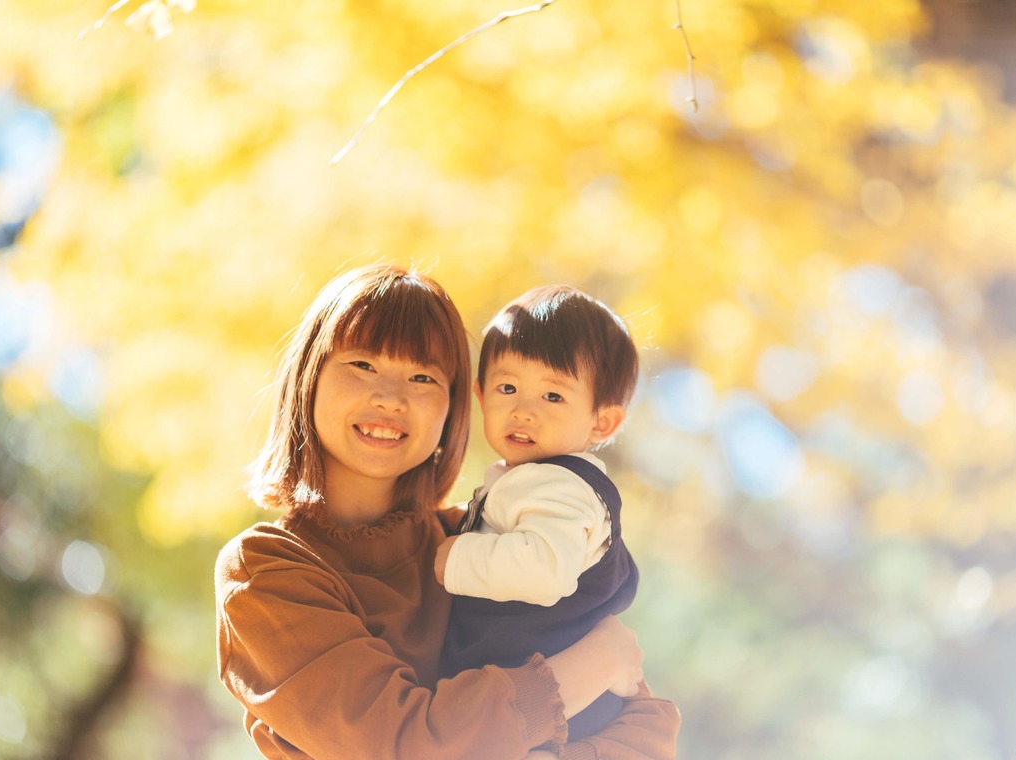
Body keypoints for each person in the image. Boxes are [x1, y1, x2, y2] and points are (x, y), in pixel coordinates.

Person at [214, 264, 679, 759]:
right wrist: (593, 665)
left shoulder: (488, 542)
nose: (390, 399)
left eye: (422, 377)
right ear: (310, 377)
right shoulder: (267, 571)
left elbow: (646, 729)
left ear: (455, 404)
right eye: (363, 365)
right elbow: (402, 744)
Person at [435, 285, 644, 742]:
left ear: (601, 422)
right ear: (481, 393)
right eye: (507, 388)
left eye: (552, 396)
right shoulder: (539, 482)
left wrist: (452, 558)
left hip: (552, 706)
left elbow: (544, 570)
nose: (523, 410)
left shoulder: (556, 484)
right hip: (544, 708)